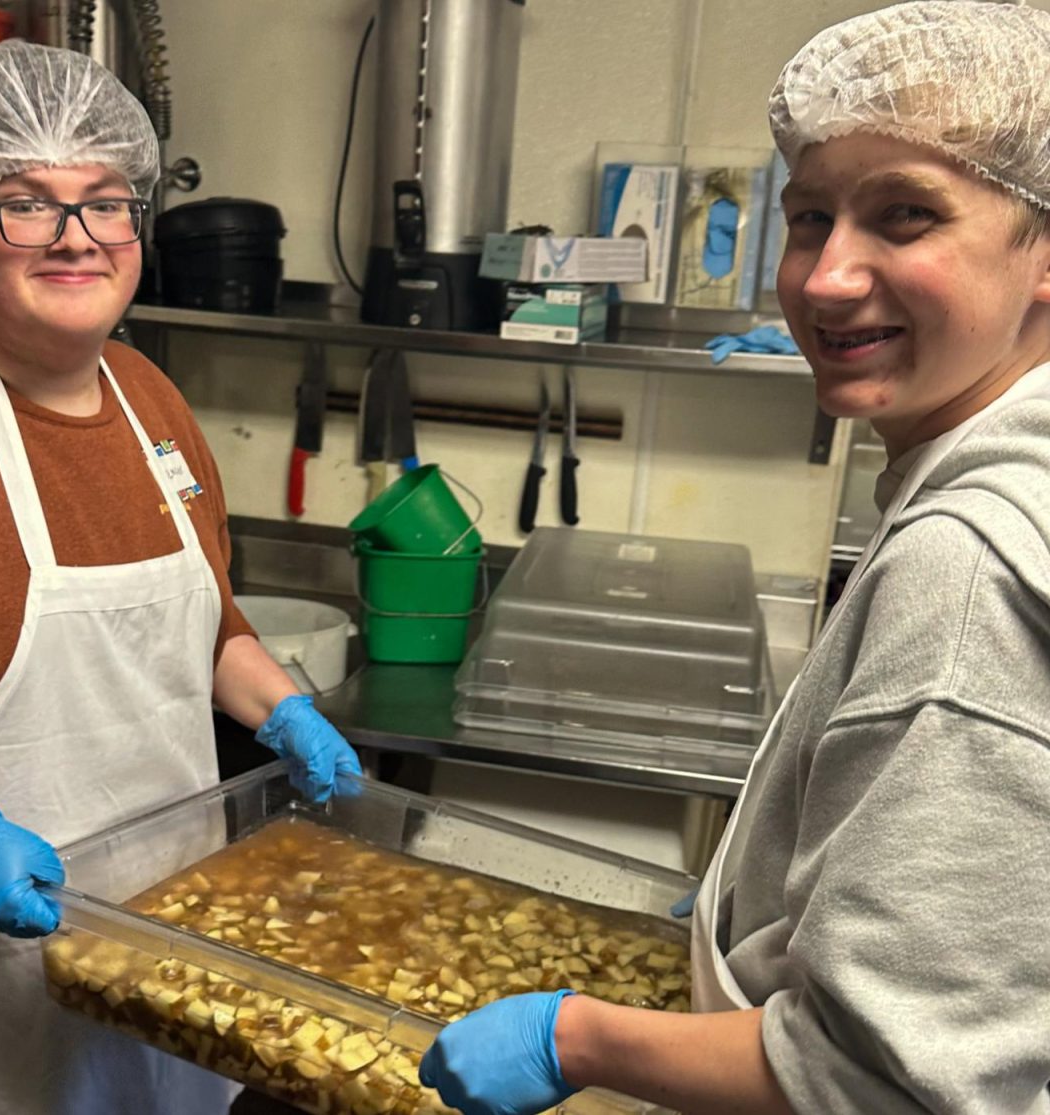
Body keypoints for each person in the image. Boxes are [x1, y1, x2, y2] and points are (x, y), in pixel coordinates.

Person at [419, 4, 1050, 1113]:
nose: (825, 279)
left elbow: (875, 1081)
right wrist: (751, 910)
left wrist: (578, 1038)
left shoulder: (968, 569)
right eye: (809, 218)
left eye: (906, 215)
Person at [0, 39, 361, 1115]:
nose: (77, 238)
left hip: (163, 946)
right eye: (26, 203)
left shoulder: (149, 396)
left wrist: (285, 710)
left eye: (106, 201)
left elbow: (208, 628)